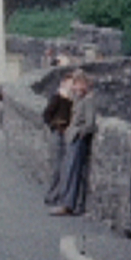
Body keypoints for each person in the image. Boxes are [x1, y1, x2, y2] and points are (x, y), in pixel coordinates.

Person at [50, 70, 96, 217]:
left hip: (77, 140)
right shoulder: (79, 99)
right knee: (68, 171)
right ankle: (65, 202)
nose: (74, 87)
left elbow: (90, 124)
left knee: (73, 172)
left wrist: (79, 133)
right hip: (72, 138)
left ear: (84, 84)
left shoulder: (88, 100)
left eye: (77, 84)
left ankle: (69, 205)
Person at [42, 73, 74, 207]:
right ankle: (52, 195)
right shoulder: (57, 98)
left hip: (68, 133)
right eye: (69, 83)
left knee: (65, 166)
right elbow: (46, 114)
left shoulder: (72, 98)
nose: (71, 86)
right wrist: (55, 125)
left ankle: (60, 195)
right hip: (58, 133)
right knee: (57, 167)